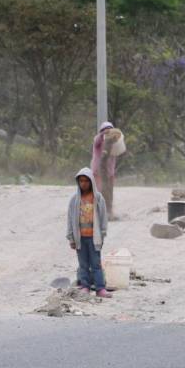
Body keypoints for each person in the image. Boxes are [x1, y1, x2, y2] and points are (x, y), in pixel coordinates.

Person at [66, 168, 111, 298]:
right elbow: (70, 219)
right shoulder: (74, 200)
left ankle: (100, 288)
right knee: (83, 265)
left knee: (96, 264)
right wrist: (71, 238)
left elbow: (103, 217)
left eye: (86, 181)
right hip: (80, 239)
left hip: (94, 238)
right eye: (81, 181)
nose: (84, 184)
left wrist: (102, 234)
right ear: (78, 182)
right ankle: (85, 286)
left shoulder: (98, 198)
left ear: (91, 182)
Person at [91, 122, 125, 217]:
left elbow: (121, 150)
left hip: (110, 172)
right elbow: (96, 140)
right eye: (104, 130)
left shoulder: (113, 142)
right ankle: (98, 211)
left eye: (110, 129)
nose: (107, 131)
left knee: (109, 191)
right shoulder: (98, 140)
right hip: (98, 171)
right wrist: (102, 134)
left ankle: (109, 211)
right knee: (100, 190)